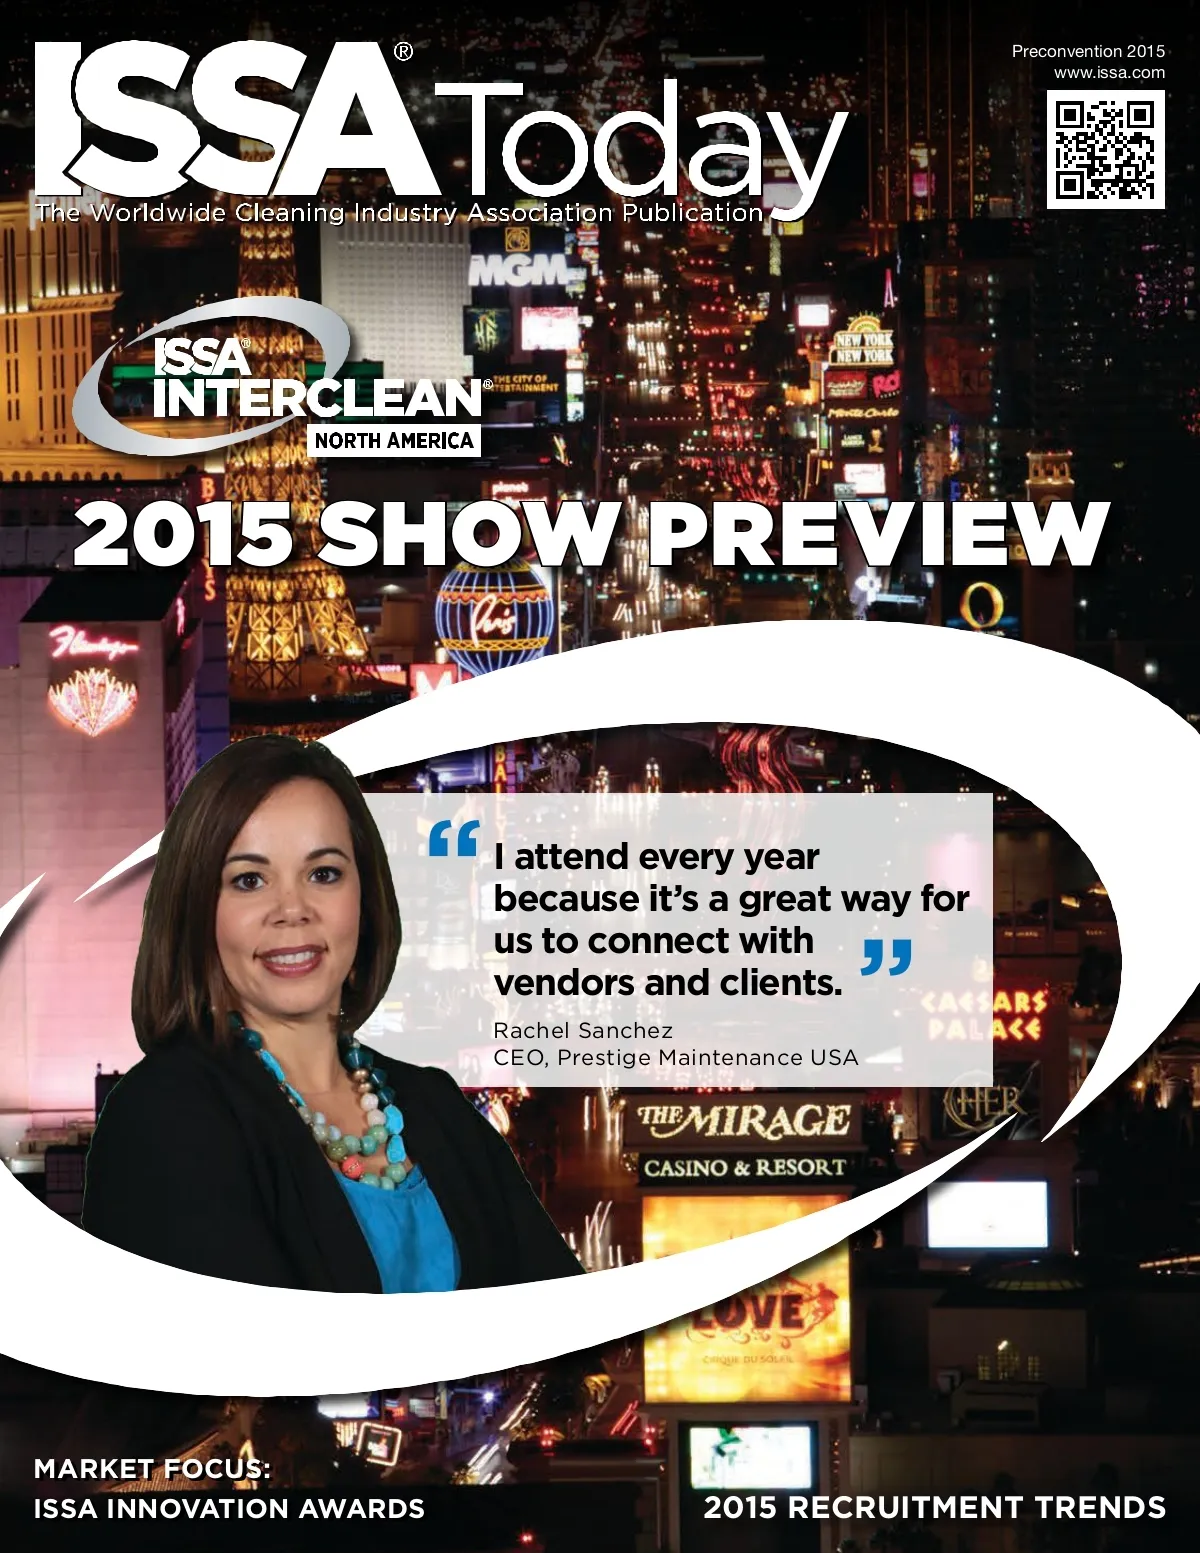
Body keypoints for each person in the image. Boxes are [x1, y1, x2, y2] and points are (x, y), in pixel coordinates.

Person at [82, 734, 583, 1294]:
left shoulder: (436, 1104)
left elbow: (573, 1321)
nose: (292, 910)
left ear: (365, 896)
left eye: (323, 873)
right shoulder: (160, 1119)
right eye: (249, 880)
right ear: (197, 910)